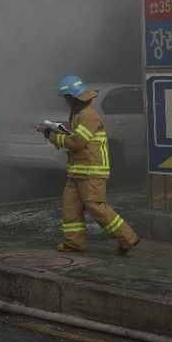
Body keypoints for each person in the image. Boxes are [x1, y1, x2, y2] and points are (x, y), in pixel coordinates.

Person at [42, 75, 140, 255]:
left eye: (66, 98)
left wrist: (52, 136)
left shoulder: (88, 115)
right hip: (77, 171)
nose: (65, 102)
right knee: (70, 207)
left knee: (96, 207)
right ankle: (75, 243)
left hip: (91, 172)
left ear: (73, 97)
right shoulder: (79, 114)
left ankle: (128, 238)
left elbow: (78, 142)